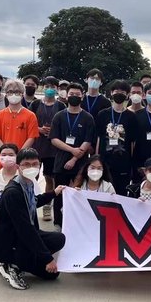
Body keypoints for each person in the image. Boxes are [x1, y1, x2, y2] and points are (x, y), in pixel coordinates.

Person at [0, 148, 67, 289]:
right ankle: (9, 264)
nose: (31, 167)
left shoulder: (27, 183)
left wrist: (54, 193)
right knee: (50, 272)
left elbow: (33, 201)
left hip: (21, 238)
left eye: (35, 164)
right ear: (18, 167)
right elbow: (25, 229)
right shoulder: (13, 192)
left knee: (58, 240)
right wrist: (47, 258)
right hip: (10, 244)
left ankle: (14, 262)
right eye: (26, 164)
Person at [50, 82, 96, 228]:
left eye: (77, 94)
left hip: (80, 163)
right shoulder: (59, 116)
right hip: (61, 161)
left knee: (79, 192)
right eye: (71, 94)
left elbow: (88, 140)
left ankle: (79, 222)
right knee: (59, 192)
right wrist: (71, 151)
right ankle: (58, 221)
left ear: (82, 96)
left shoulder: (88, 118)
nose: (74, 97)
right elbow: (54, 139)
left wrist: (75, 157)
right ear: (66, 95)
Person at [95, 79, 137, 195]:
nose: (119, 94)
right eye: (116, 91)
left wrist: (131, 163)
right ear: (111, 93)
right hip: (105, 161)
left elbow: (133, 142)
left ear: (127, 95)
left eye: (123, 92)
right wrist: (98, 158)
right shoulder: (103, 114)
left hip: (124, 163)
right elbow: (99, 138)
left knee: (121, 193)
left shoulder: (131, 116)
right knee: (104, 192)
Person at [33, 76, 66, 220]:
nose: (50, 89)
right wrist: (38, 129)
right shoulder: (35, 104)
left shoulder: (60, 106)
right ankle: (30, 203)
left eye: (53, 86)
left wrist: (53, 131)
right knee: (31, 177)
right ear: (42, 88)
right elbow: (29, 121)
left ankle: (47, 206)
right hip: (36, 146)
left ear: (57, 89)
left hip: (53, 148)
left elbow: (64, 125)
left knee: (49, 178)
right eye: (47, 86)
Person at [0, 79, 40, 170]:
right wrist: (6, 153)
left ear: (22, 94)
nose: (13, 94)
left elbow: (31, 138)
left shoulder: (30, 115)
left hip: (22, 160)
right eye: (10, 92)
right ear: (6, 94)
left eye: (17, 92)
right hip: (1, 159)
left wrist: (18, 154)